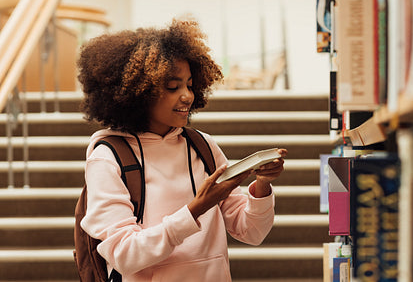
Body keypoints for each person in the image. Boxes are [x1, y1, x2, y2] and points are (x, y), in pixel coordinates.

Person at [77, 18, 287, 282]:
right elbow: (125, 254)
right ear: (138, 93)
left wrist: (262, 186)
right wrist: (196, 208)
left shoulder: (202, 145)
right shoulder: (109, 157)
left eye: (189, 84)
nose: (187, 96)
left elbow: (252, 232)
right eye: (172, 87)